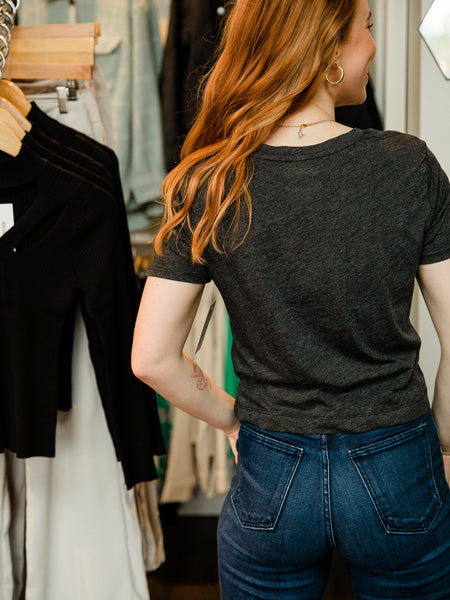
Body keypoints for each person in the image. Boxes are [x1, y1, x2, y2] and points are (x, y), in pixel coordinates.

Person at [131, 0, 450, 597]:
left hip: (272, 465)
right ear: (329, 51)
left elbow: (151, 357)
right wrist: (445, 442)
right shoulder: (409, 165)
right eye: (369, 30)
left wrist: (232, 420)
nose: (373, 47)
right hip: (396, 456)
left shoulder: (208, 180)